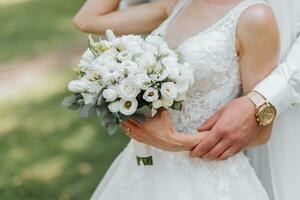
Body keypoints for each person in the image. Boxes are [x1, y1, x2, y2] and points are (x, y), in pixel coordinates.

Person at [73, 0, 280, 199]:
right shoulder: (177, 4)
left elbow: (260, 132)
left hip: (207, 179)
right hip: (143, 170)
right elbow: (86, 19)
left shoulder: (255, 17)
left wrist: (175, 142)